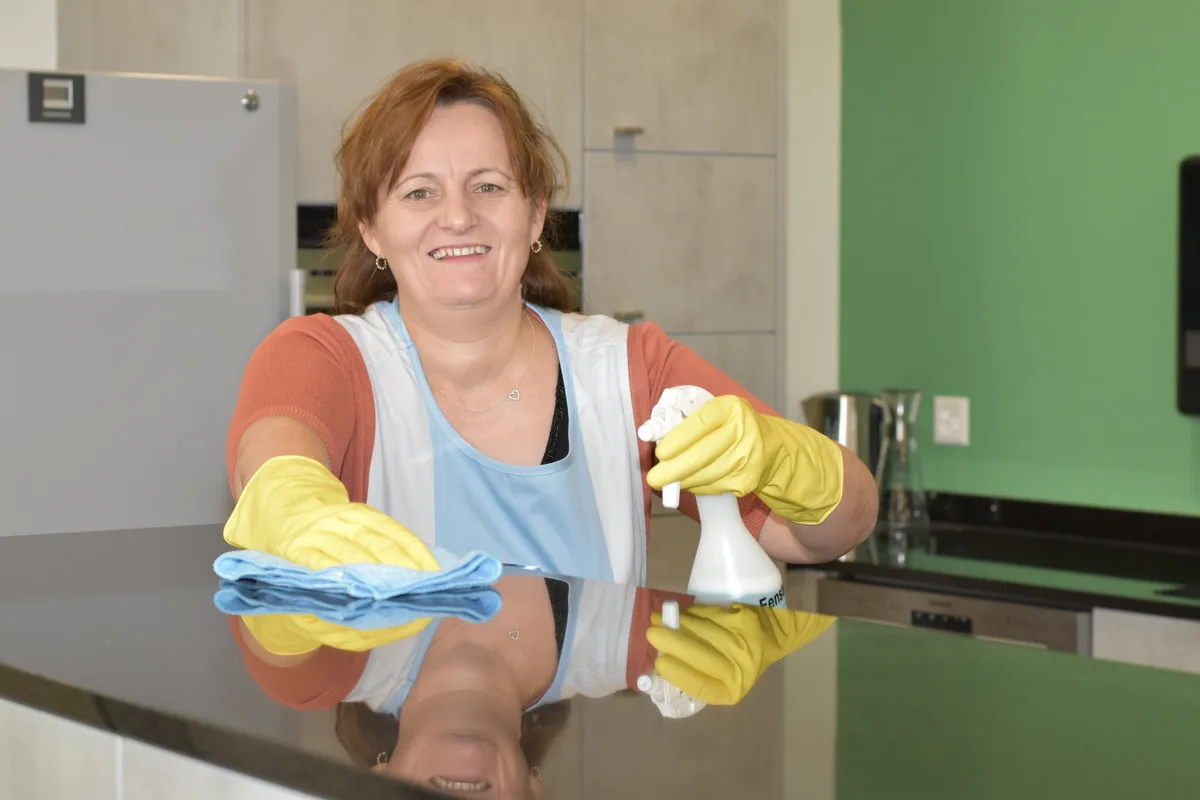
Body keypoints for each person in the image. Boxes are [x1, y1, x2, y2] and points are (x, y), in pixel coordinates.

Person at [222, 55, 877, 592]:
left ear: (535, 214)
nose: (457, 217)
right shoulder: (324, 356)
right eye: (419, 191)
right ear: (372, 229)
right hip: (400, 736)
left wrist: (784, 458)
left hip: (588, 747)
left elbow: (823, 531)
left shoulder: (628, 370)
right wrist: (293, 506)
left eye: (489, 186)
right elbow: (273, 460)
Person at [226, 568, 836, 798]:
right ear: (535, 794)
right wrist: (763, 630)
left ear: (380, 781)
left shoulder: (325, 653)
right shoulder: (624, 646)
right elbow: (799, 587)